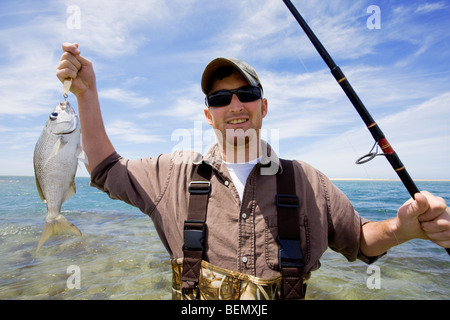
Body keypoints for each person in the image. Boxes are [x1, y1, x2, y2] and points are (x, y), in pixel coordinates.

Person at [56, 42, 450, 300]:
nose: (236, 105)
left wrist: (404, 230)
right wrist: (87, 94)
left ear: (264, 107)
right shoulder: (171, 174)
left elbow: (360, 240)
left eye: (247, 94)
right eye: (221, 98)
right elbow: (106, 168)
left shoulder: (309, 181)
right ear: (208, 114)